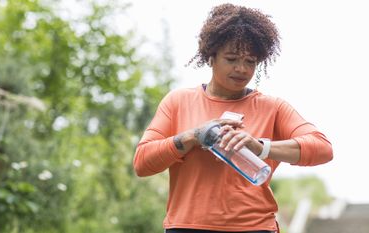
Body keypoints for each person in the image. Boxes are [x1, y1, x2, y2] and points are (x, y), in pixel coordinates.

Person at [133, 3, 333, 233]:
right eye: (231, 58)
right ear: (211, 57)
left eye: (250, 61)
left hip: (254, 227)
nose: (241, 69)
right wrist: (192, 137)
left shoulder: (272, 107)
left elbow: (322, 149)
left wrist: (260, 147)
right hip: (187, 226)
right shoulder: (178, 102)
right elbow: (142, 163)